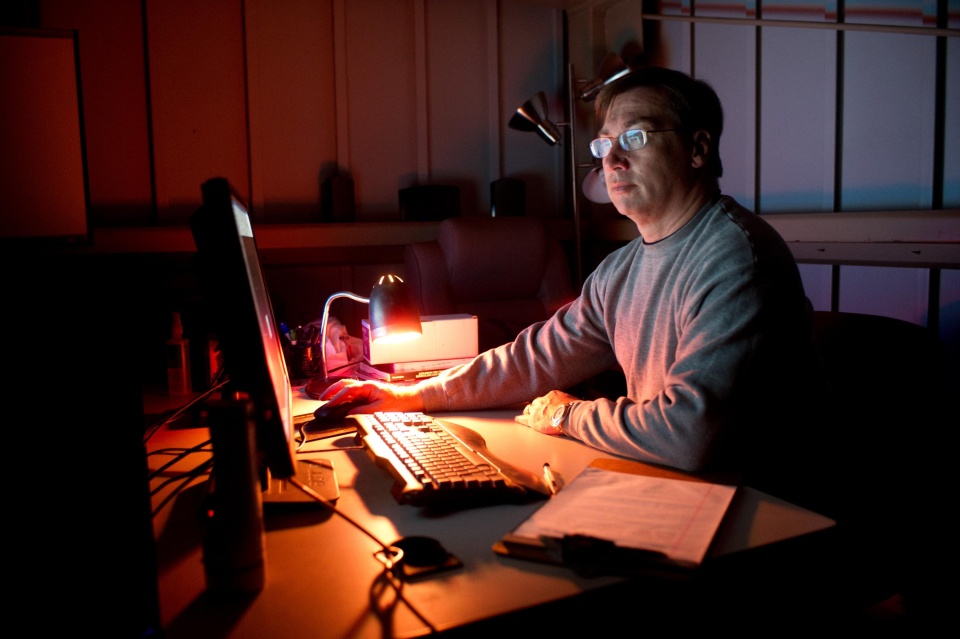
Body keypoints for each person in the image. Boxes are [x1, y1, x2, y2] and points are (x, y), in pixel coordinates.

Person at [318, 66, 818, 492]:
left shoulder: (735, 258)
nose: (612, 160)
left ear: (698, 149)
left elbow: (690, 433)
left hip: (762, 516)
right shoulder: (622, 269)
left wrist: (568, 416)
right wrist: (416, 395)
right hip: (674, 488)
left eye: (636, 138)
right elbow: (536, 358)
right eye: (605, 144)